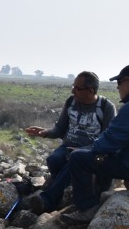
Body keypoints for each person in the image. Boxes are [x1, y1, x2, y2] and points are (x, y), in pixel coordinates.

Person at [62, 62, 129, 224]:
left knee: (79, 158)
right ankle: (101, 193)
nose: (118, 87)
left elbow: (109, 141)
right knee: (101, 156)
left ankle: (86, 208)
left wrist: (85, 149)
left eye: (120, 83)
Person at [24, 71, 116, 213]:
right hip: (68, 145)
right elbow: (60, 129)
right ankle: (60, 188)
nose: (73, 91)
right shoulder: (71, 102)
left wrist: (85, 150)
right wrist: (45, 132)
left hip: (92, 150)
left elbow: (107, 139)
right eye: (73, 86)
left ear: (90, 91)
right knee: (53, 160)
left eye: (77, 88)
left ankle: (47, 200)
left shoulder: (105, 107)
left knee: (72, 163)